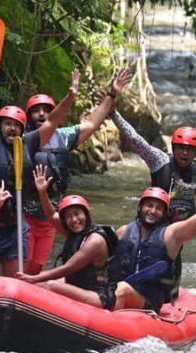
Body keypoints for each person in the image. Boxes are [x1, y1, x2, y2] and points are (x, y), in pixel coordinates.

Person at [0, 51, 77, 276]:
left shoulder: (27, 144)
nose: (12, 128)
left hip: (15, 228)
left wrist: (70, 97)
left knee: (16, 280)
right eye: (7, 124)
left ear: (23, 128)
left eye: (17, 125)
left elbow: (52, 121)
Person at [20, 68, 133, 274]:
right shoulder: (20, 140)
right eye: (37, 110)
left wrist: (112, 94)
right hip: (22, 217)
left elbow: (91, 124)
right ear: (28, 116)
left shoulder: (62, 136)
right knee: (22, 266)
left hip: (50, 219)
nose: (42, 114)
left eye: (47, 110)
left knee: (35, 269)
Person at [112, 169, 196, 312]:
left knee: (122, 289)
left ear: (165, 213)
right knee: (115, 289)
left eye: (159, 208)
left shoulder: (171, 235)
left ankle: (109, 321)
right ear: (140, 207)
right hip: (120, 291)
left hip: (149, 301)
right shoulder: (123, 232)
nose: (153, 211)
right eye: (149, 205)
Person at [15, 165, 120, 310]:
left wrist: (33, 277)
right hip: (78, 286)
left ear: (86, 214)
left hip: (99, 296)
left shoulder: (95, 240)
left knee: (47, 284)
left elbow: (68, 268)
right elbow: (51, 215)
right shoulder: (74, 231)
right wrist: (42, 192)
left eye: (77, 214)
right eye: (69, 216)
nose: (74, 219)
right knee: (41, 281)